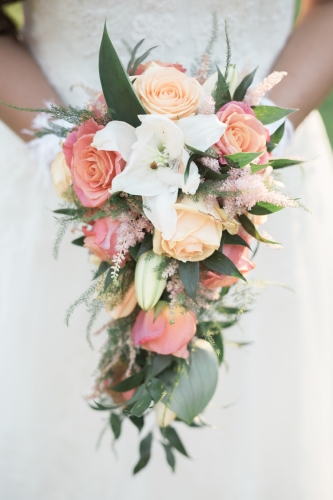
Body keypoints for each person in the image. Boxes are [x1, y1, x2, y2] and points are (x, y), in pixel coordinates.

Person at [0, 1, 333, 498]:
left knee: (259, 416)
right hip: (61, 173)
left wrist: (247, 155)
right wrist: (64, 150)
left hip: (260, 180)